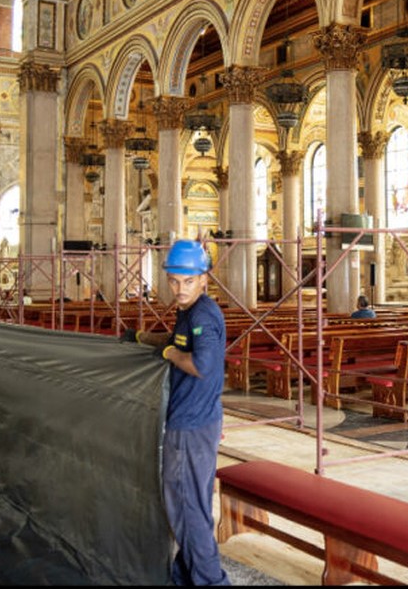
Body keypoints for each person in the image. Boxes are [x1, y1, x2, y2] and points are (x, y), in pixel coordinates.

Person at [124, 239, 229, 585]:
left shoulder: (203, 315)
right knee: (189, 505)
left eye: (187, 281)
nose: (179, 289)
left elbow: (201, 363)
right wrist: (141, 338)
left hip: (191, 426)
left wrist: (167, 355)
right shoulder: (188, 312)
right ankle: (185, 576)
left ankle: (211, 581)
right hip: (195, 421)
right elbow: (174, 342)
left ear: (203, 280)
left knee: (186, 509)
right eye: (173, 281)